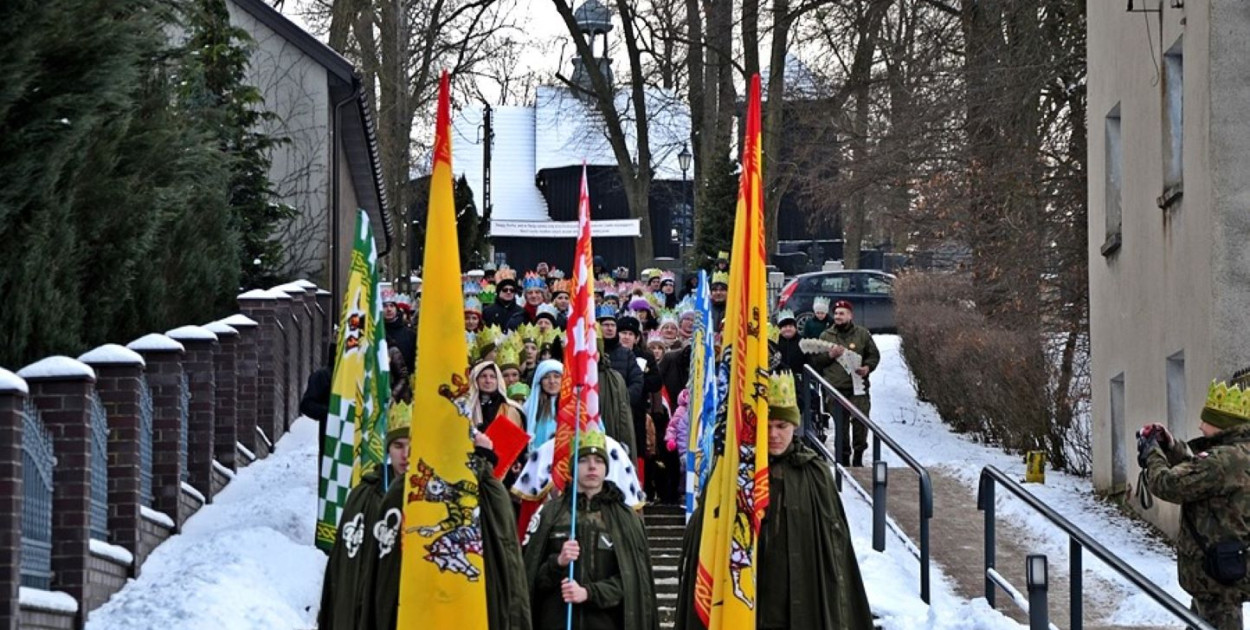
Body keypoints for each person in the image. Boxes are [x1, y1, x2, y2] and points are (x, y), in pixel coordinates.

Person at [371, 427, 533, 630]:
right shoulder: (401, 490)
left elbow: (506, 558)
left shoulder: (490, 491)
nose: (405, 453)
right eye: (398, 446)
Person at [755, 371, 874, 629]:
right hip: (758, 594)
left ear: (794, 426)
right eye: (767, 425)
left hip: (806, 591)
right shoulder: (743, 475)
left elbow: (835, 546)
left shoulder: (815, 472)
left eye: (781, 425)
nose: (774, 434)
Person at [1139, 379, 1250, 630]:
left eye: (1207, 421)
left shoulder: (1222, 461)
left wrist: (1152, 453)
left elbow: (1167, 484)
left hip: (1216, 577)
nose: (1200, 425)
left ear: (1222, 426)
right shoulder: (1238, 453)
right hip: (1223, 568)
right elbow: (1200, 471)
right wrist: (1170, 444)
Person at [522, 430, 658, 630]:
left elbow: (634, 582)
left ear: (606, 468)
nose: (592, 466)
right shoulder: (550, 514)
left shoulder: (626, 519)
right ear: (573, 466)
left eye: (599, 461)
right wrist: (558, 563)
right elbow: (529, 578)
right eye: (584, 460)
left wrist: (590, 593)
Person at [317, 403, 410, 629]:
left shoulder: (431, 496)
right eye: (398, 446)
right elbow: (347, 563)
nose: (406, 455)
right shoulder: (366, 494)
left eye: (413, 446)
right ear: (388, 449)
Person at [807, 300, 879, 467]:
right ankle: (843, 459)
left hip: (858, 388)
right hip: (835, 389)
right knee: (841, 426)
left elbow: (873, 355)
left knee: (861, 423)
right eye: (836, 313)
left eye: (842, 313)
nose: (838, 317)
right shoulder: (826, 336)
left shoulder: (862, 334)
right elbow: (815, 361)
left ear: (850, 315)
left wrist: (868, 367)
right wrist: (830, 355)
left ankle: (858, 456)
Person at [522, 360, 564, 447]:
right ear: (540, 381)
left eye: (556, 376)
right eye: (546, 377)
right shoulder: (528, 408)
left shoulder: (574, 405)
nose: (552, 381)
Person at [382, 286, 416, 373]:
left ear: (396, 309)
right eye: (385, 306)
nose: (389, 309)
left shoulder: (410, 335)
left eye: (392, 306)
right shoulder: (375, 334)